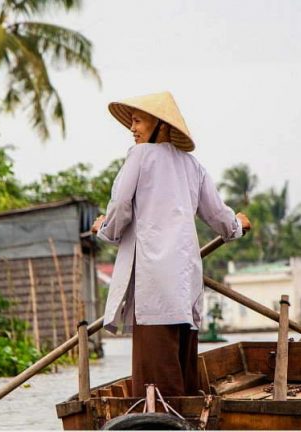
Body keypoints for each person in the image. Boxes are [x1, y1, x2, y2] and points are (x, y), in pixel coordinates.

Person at [91, 91, 250, 398]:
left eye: (138, 121)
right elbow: (219, 216)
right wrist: (238, 226)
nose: (132, 128)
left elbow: (121, 205)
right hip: (184, 283)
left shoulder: (139, 157)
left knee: (156, 385)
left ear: (160, 125)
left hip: (154, 284)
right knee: (184, 372)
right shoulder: (194, 167)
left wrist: (105, 228)